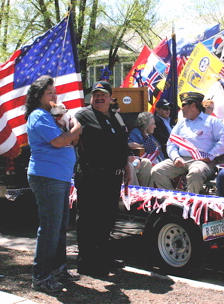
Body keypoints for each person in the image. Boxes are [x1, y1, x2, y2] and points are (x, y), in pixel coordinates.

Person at [25, 75, 82, 292]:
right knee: (50, 228)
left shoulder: (52, 116)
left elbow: (71, 139)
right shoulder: (38, 116)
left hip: (60, 177)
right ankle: (40, 277)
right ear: (38, 96)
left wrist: (71, 125)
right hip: (47, 177)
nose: (54, 96)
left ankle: (58, 269)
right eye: (49, 93)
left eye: (54, 92)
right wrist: (76, 128)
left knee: (59, 227)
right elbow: (60, 141)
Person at [74, 80, 132, 276]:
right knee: (89, 219)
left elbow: (122, 145)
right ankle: (87, 262)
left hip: (113, 176)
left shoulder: (116, 117)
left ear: (110, 98)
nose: (99, 98)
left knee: (107, 219)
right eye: (95, 95)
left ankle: (103, 256)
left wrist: (128, 168)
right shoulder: (82, 116)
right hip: (92, 176)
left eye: (103, 95)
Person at [151, 92, 224, 194]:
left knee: (195, 173)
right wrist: (176, 157)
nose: (181, 109)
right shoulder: (181, 124)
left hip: (202, 161)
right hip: (181, 159)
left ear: (193, 106)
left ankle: (190, 204)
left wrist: (210, 155)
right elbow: (171, 143)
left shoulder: (212, 121)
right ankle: (174, 200)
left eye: (184, 105)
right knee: (157, 171)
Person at [127, 112, 165, 187]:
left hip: (159, 162)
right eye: (153, 124)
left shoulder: (150, 136)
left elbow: (158, 148)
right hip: (138, 163)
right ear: (146, 124)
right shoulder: (136, 133)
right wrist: (144, 146)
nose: (155, 126)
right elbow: (132, 145)